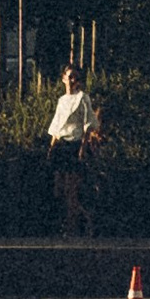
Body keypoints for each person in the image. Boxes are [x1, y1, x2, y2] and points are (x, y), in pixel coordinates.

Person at [46, 61, 101, 236]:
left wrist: (82, 149)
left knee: (71, 190)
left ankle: (74, 227)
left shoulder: (82, 98)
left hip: (74, 145)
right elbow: (57, 125)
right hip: (62, 145)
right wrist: (51, 147)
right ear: (63, 79)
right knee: (59, 189)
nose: (71, 80)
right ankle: (79, 218)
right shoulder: (62, 100)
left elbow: (88, 124)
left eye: (74, 78)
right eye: (68, 77)